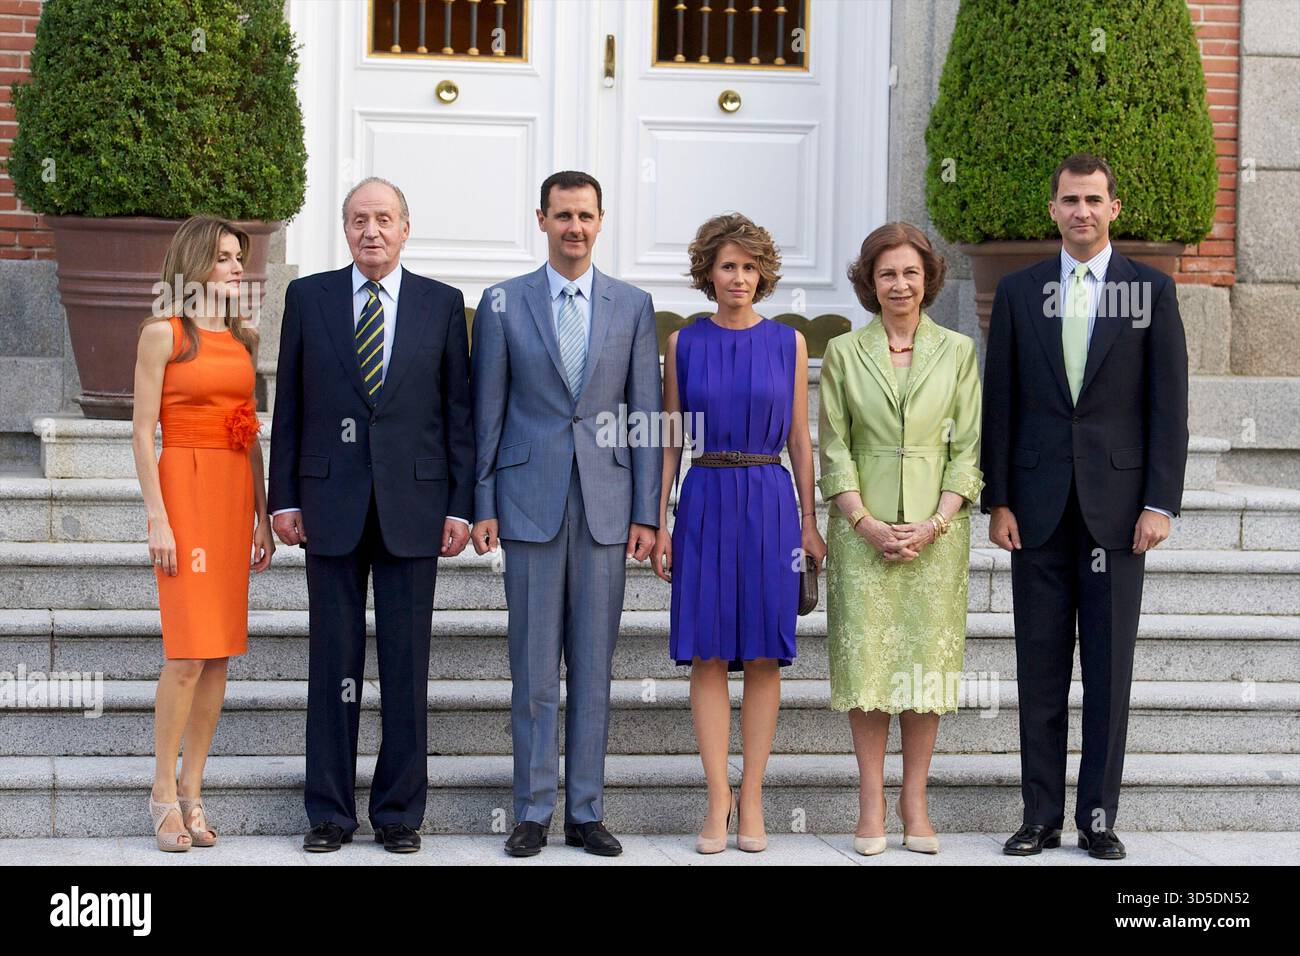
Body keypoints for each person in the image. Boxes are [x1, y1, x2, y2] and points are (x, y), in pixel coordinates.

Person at [983, 153, 1188, 861]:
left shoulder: (1151, 291)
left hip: (1120, 511)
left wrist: (1161, 502)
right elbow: (999, 404)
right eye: (1069, 200)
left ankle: (1097, 818)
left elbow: (1170, 408)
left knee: (1107, 672)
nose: (1082, 211)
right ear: (1053, 210)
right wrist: (997, 497)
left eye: (1094, 199)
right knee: (1039, 669)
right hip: (1035, 510)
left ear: (1114, 208)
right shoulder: (1018, 291)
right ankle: (1038, 816)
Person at [268, 177, 475, 853]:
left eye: (384, 219)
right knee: (334, 665)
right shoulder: (309, 297)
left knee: (406, 666)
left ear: (406, 228)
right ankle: (328, 812)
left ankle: (398, 815)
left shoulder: (442, 305)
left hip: (414, 508)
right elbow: (291, 405)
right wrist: (284, 496)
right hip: (328, 506)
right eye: (359, 220)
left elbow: (457, 415)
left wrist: (460, 505)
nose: (371, 231)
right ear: (345, 228)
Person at [471, 170, 662, 858]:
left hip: (608, 507)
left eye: (585, 216)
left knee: (591, 664)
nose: (574, 227)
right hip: (527, 503)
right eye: (562, 216)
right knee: (531, 666)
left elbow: (645, 414)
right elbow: (487, 410)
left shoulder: (634, 306)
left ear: (601, 221)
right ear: (541, 219)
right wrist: (483, 500)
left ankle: (585, 811)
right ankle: (531, 810)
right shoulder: (502, 303)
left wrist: (649, 511)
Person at [651, 213, 824, 854]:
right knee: (707, 651)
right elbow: (671, 437)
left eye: (750, 267)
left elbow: (802, 441)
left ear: (764, 274)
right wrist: (661, 519)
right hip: (703, 497)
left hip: (771, 500)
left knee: (760, 652)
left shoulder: (790, 342)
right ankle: (716, 802)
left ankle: (752, 796)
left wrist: (809, 521)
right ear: (708, 273)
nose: (740, 278)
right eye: (728, 266)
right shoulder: (684, 344)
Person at [818, 222, 984, 856]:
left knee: (922, 671)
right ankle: (869, 802)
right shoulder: (843, 351)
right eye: (887, 273)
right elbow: (835, 447)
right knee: (867, 672)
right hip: (861, 536)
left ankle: (914, 800)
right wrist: (862, 520)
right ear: (869, 281)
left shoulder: (959, 352)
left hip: (936, 536)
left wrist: (937, 521)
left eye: (910, 272)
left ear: (928, 279)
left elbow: (966, 448)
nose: (900, 284)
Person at [131, 216, 275, 852]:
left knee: (218, 653)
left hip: (231, 495)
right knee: (186, 652)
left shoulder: (242, 340)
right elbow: (141, 432)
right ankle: (162, 793)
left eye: (238, 256)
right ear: (195, 265)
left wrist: (262, 515)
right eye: (223, 257)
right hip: (183, 493)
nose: (236, 267)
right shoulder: (163, 334)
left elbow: (250, 435)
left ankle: (194, 791)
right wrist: (157, 517)